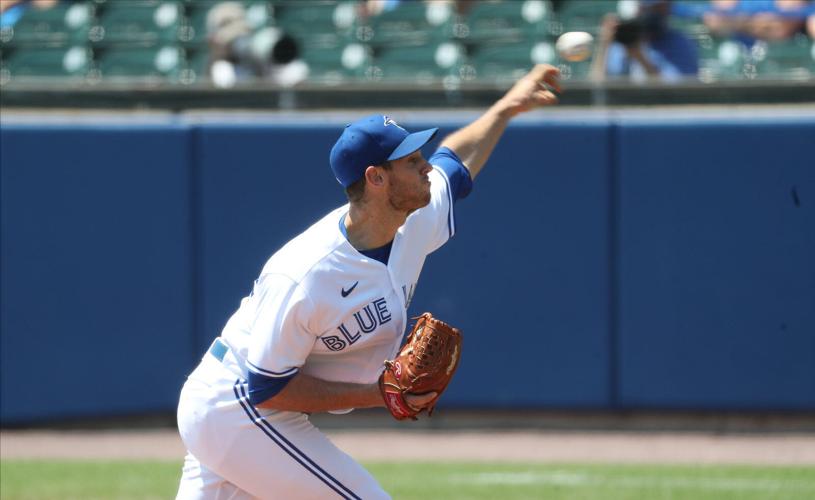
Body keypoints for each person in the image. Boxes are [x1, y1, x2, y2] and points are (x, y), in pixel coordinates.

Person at [175, 63, 561, 499]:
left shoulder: (414, 217)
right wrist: (381, 393)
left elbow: (458, 159)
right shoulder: (305, 274)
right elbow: (268, 387)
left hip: (237, 405)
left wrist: (506, 110)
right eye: (412, 162)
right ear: (376, 179)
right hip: (237, 405)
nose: (426, 170)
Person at [590, 0, 699, 83]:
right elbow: (597, 88)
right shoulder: (623, 41)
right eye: (647, 8)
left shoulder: (680, 43)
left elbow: (676, 93)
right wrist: (604, 45)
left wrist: (640, 58)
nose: (652, 13)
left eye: (657, 8)